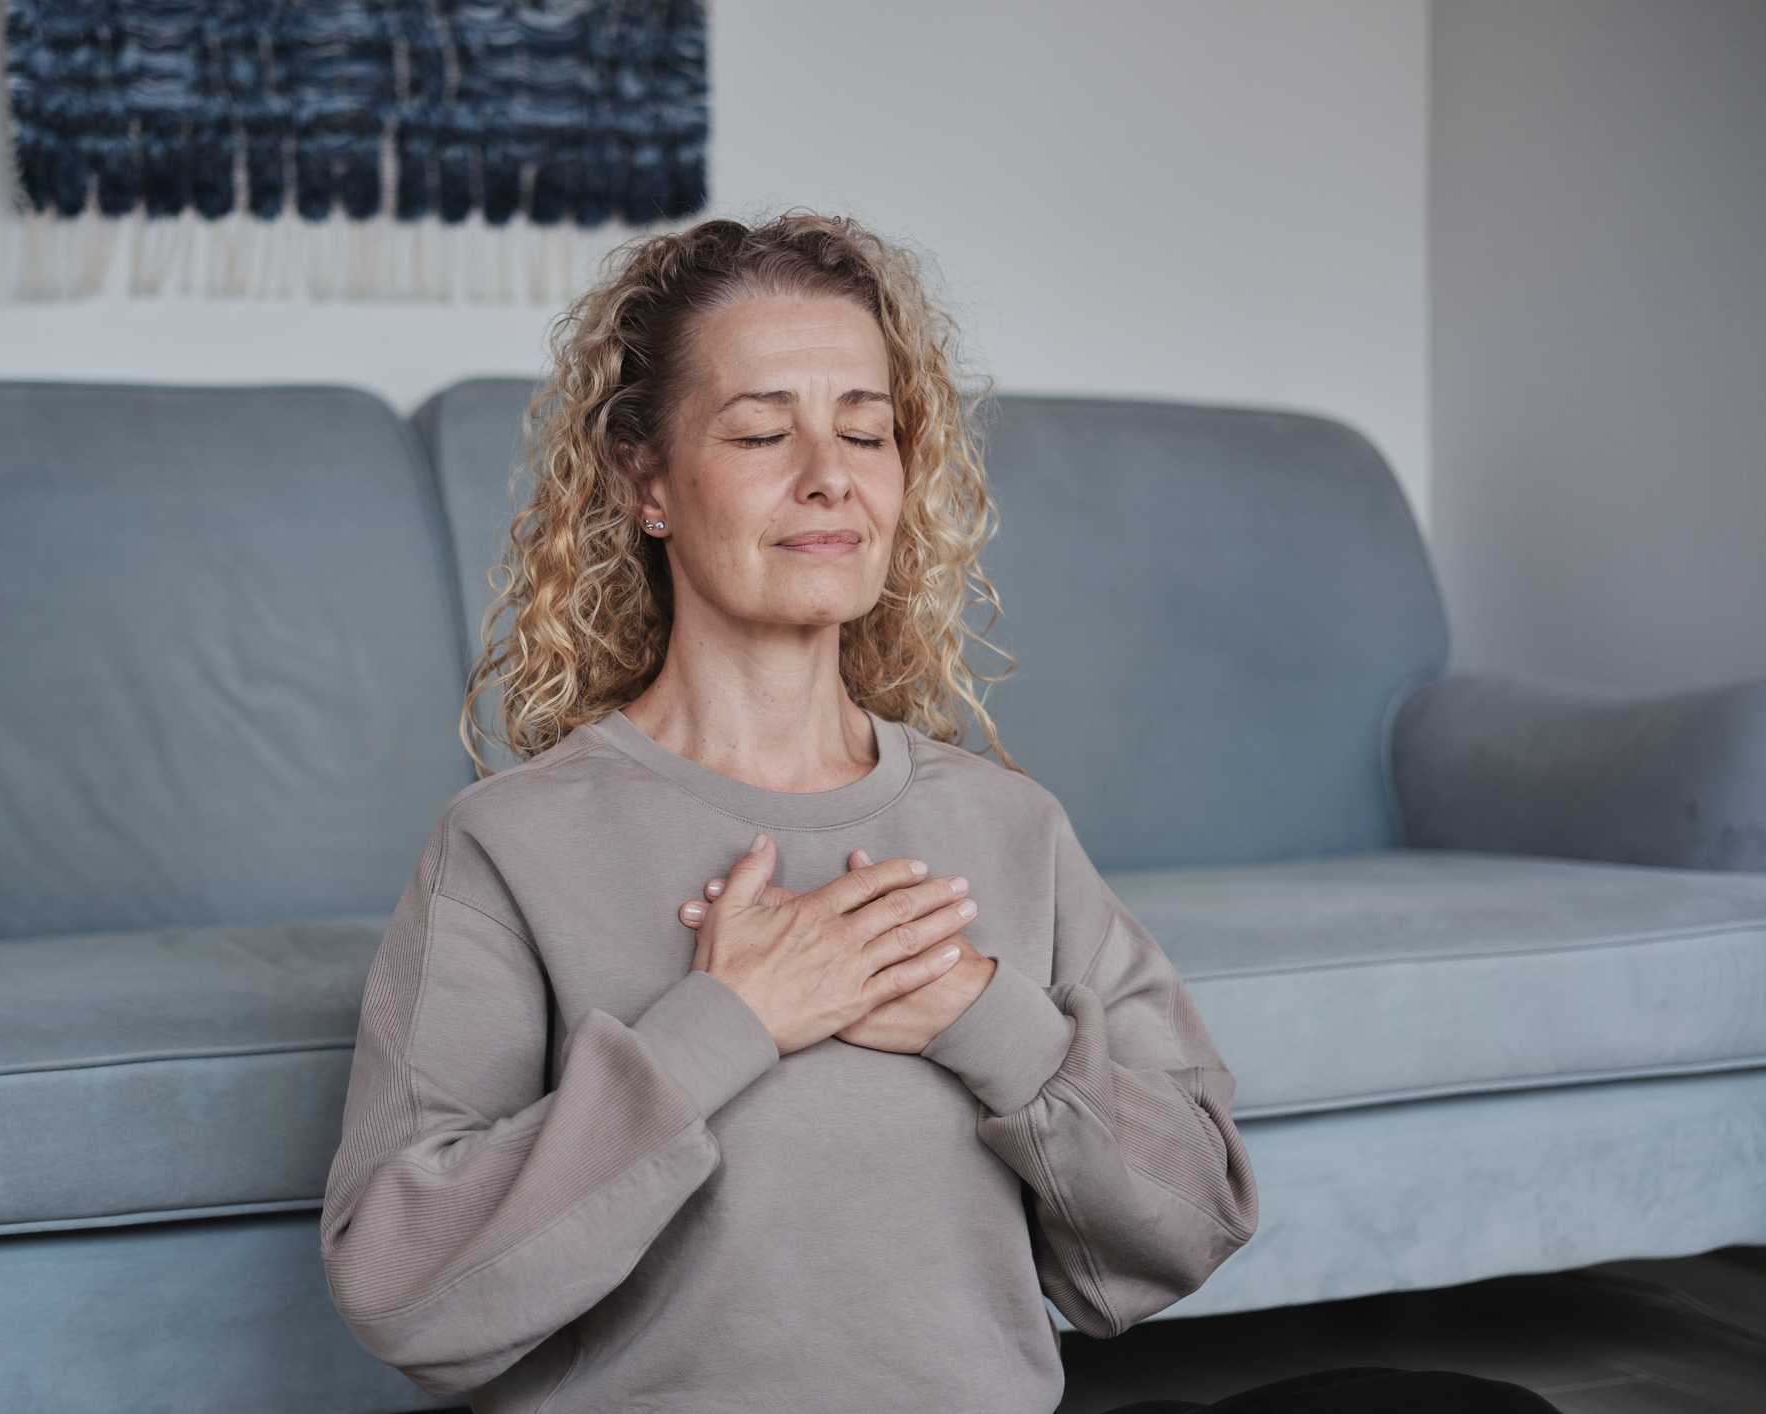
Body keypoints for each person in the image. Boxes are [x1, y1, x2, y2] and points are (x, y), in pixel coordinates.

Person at [321, 213, 1554, 1414]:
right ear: (645, 481)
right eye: (762, 434)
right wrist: (728, 1020)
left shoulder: (1008, 828)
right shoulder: (512, 845)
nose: (830, 479)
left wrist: (984, 1016)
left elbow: (1191, 1222)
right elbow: (402, 1288)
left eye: (868, 430)